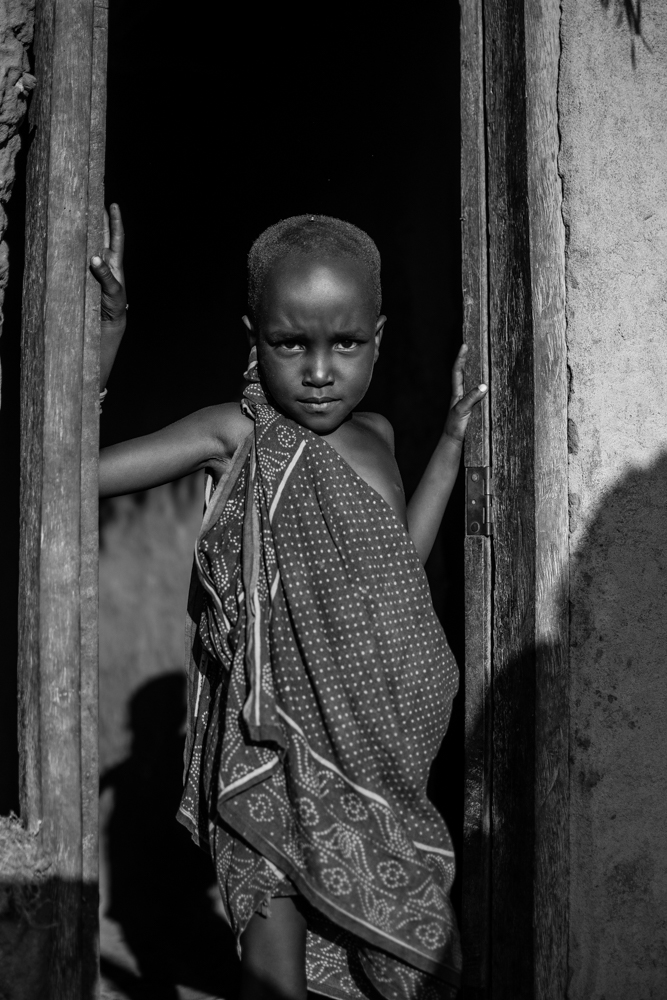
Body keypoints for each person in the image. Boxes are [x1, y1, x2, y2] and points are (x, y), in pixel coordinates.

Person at [92, 207, 487, 1000]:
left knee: (419, 965)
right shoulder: (235, 432)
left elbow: (396, 570)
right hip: (270, 757)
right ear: (252, 334)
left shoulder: (378, 433)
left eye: (344, 344)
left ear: (377, 335)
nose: (316, 371)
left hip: (382, 756)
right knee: (272, 974)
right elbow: (71, 476)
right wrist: (102, 350)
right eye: (289, 344)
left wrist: (449, 444)